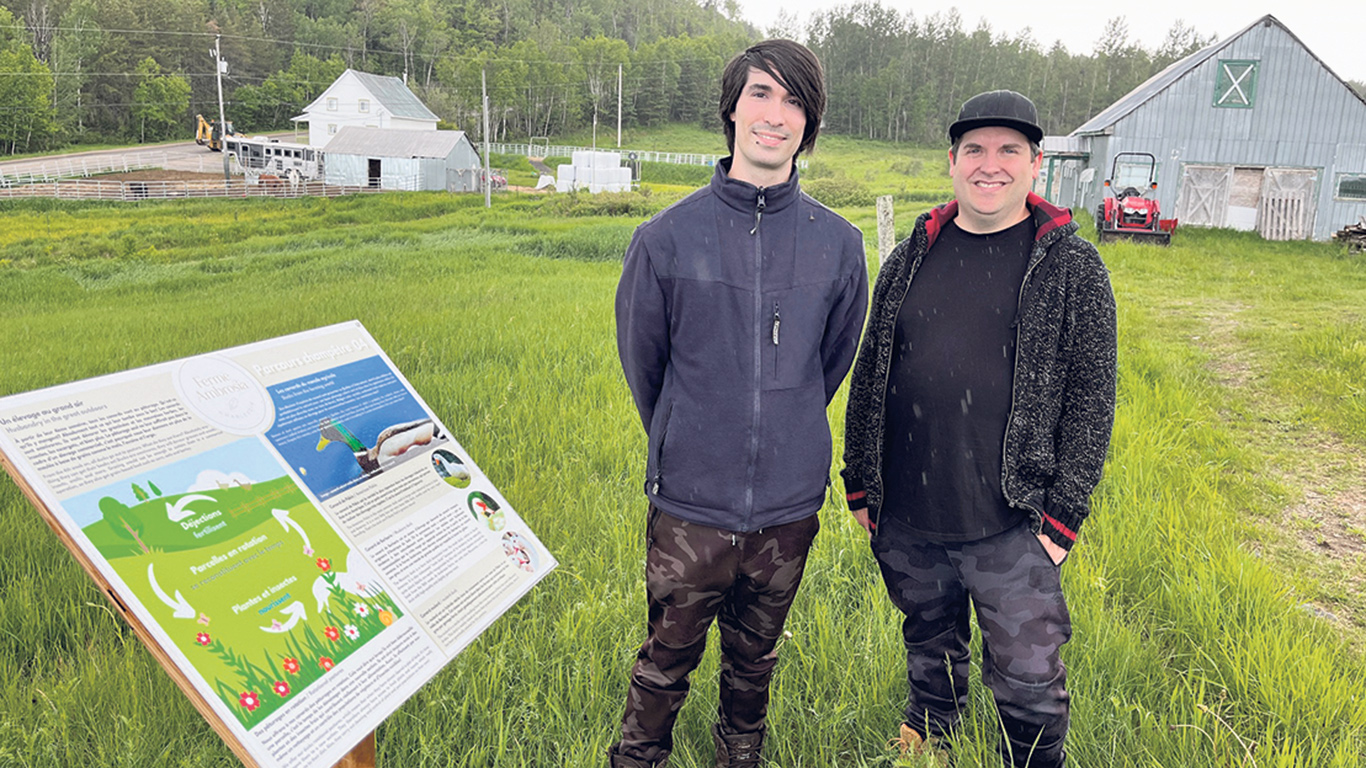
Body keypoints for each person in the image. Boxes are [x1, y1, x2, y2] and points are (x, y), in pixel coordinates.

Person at [610, 39, 868, 768]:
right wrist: (698, 432)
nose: (775, 115)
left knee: (755, 665)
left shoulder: (839, 246)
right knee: (665, 661)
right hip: (692, 507)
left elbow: (830, 364)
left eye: (795, 101)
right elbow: (646, 370)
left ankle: (739, 757)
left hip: (787, 512)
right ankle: (636, 758)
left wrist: (782, 425)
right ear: (732, 107)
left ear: (809, 125)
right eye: (761, 93)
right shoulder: (665, 239)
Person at [841, 90, 1117, 768]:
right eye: (975, 150)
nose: (989, 165)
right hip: (908, 513)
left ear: (1035, 164)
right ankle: (930, 742)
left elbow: (1091, 398)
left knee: (1028, 679)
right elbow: (873, 367)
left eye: (1008, 151)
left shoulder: (1071, 267)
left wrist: (1063, 516)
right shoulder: (912, 256)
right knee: (928, 643)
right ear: (952, 160)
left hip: (1012, 522)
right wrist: (859, 484)